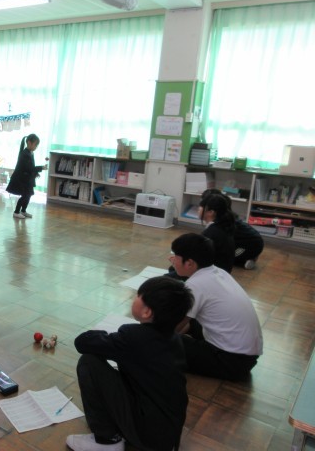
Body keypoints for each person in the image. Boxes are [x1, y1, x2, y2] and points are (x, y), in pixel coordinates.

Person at [66, 276, 194, 451]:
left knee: (89, 363)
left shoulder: (133, 338)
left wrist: (105, 335)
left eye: (138, 296)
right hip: (168, 433)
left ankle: (107, 441)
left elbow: (82, 342)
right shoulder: (175, 338)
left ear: (147, 312)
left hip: (147, 434)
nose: (134, 298)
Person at [170, 233, 263, 381]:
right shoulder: (219, 272)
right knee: (191, 323)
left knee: (163, 343)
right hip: (247, 357)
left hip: (230, 361)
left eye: (175, 256)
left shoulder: (195, 285)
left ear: (189, 263)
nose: (171, 260)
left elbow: (174, 326)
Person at [201, 188, 264, 269]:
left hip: (252, 245)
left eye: (202, 205)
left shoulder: (223, 220)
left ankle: (248, 259)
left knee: (226, 257)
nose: (200, 207)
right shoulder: (223, 214)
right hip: (245, 241)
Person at [6, 134, 47, 219]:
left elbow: (30, 167)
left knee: (29, 194)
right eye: (35, 144)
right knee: (25, 195)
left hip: (27, 179)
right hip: (22, 179)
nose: (36, 147)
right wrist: (41, 168)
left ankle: (23, 210)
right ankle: (16, 212)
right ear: (29, 142)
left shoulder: (30, 153)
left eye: (37, 145)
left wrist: (36, 172)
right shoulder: (25, 154)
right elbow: (28, 168)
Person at [197, 192, 236, 273]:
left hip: (213, 274)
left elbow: (198, 259)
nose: (198, 209)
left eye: (201, 206)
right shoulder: (223, 226)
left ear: (211, 212)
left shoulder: (211, 233)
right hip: (223, 273)